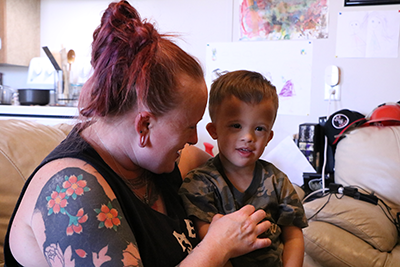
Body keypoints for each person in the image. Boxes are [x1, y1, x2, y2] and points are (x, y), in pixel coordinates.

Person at [4, 2, 272, 267]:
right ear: (144, 126)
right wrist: (217, 246)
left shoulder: (158, 160)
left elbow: (228, 169)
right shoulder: (72, 191)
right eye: (189, 126)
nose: (194, 138)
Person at [179, 70, 308, 267]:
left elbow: (293, 237)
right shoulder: (199, 183)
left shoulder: (278, 180)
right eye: (236, 126)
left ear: (269, 137)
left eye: (259, 129)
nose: (248, 137)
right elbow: (210, 246)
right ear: (214, 131)